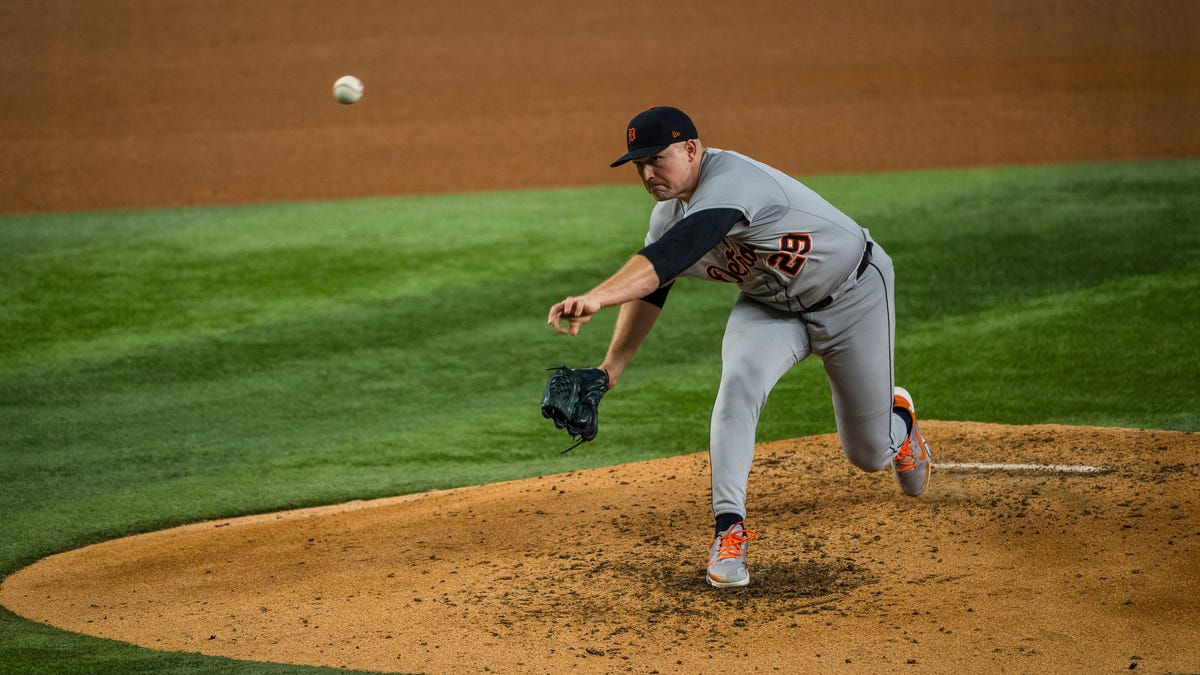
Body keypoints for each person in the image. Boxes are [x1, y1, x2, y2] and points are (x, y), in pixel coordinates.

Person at [547, 106, 930, 588]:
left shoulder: (732, 183)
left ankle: (900, 420)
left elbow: (665, 259)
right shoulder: (668, 215)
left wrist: (596, 296)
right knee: (737, 388)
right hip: (769, 306)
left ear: (691, 149)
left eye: (656, 159)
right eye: (638, 165)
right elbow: (653, 290)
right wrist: (610, 369)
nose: (647, 173)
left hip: (853, 296)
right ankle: (729, 533)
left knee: (870, 454)